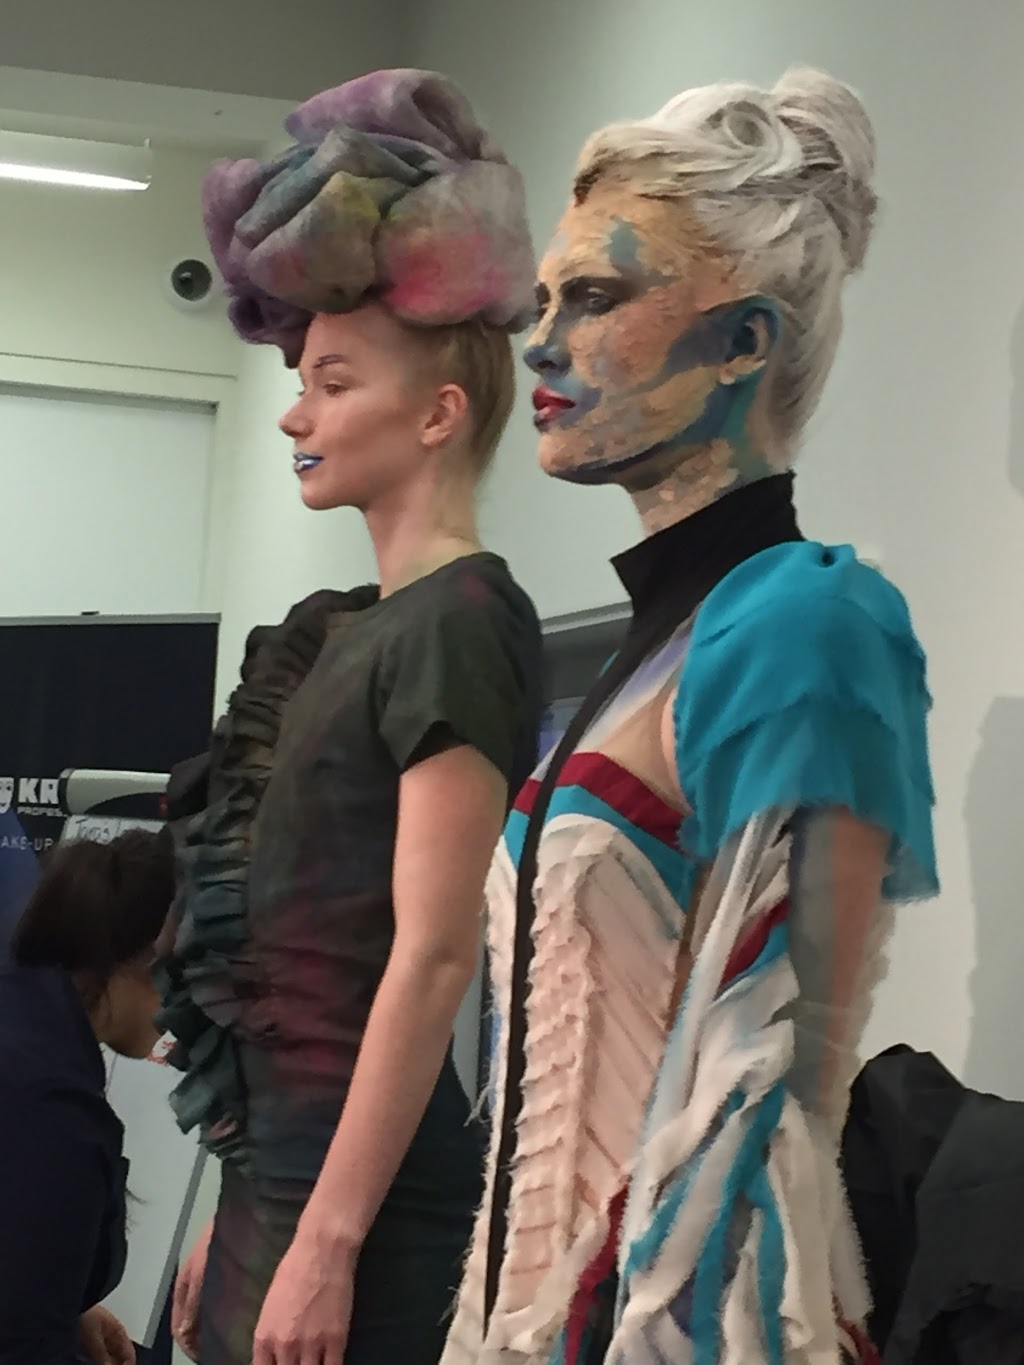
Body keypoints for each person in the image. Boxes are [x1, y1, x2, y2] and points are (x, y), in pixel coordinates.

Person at [441, 67, 939, 1364]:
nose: (541, 344)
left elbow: (770, 1107)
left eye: (596, 298)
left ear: (742, 343)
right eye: (545, 302)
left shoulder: (803, 625)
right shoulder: (645, 648)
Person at [160, 69, 543, 1365]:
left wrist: (324, 1242)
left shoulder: (460, 622)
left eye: (332, 382)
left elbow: (431, 959)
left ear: (437, 413)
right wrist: (241, 1209)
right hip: (279, 1190)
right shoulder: (337, 629)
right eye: (301, 379)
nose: (295, 411)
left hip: (365, 1226)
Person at [0, 828, 176, 1365]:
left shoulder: (22, 1023)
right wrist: (43, 1322)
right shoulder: (52, 1113)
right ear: (149, 960)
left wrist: (62, 1301)